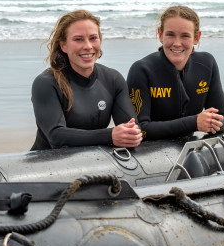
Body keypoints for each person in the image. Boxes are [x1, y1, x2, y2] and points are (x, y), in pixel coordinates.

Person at [31, 10, 142, 150]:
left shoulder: (113, 79)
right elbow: (56, 136)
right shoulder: (46, 83)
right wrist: (110, 135)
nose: (88, 46)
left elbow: (132, 126)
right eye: (78, 39)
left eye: (93, 38)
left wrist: (132, 135)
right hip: (46, 164)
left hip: (91, 163)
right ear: (63, 45)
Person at [127, 5, 224, 140]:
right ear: (160, 35)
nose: (177, 43)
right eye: (170, 35)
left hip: (186, 148)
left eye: (185, 36)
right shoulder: (142, 70)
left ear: (196, 38)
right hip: (149, 151)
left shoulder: (207, 64)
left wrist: (214, 122)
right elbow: (139, 129)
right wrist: (194, 123)